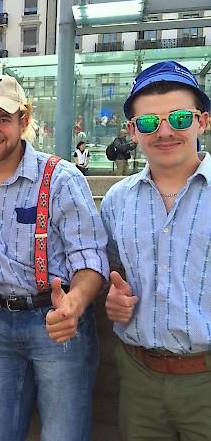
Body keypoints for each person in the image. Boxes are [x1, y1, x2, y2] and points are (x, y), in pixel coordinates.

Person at [0, 74, 109, 441]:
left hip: (55, 321)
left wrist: (73, 304)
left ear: (23, 121)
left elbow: (90, 259)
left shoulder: (61, 178)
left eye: (3, 119)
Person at [102, 60, 211, 441]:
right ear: (133, 131)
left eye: (180, 118)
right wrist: (113, 298)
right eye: (149, 123)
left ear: (203, 121)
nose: (165, 131)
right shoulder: (116, 201)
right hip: (139, 378)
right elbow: (113, 273)